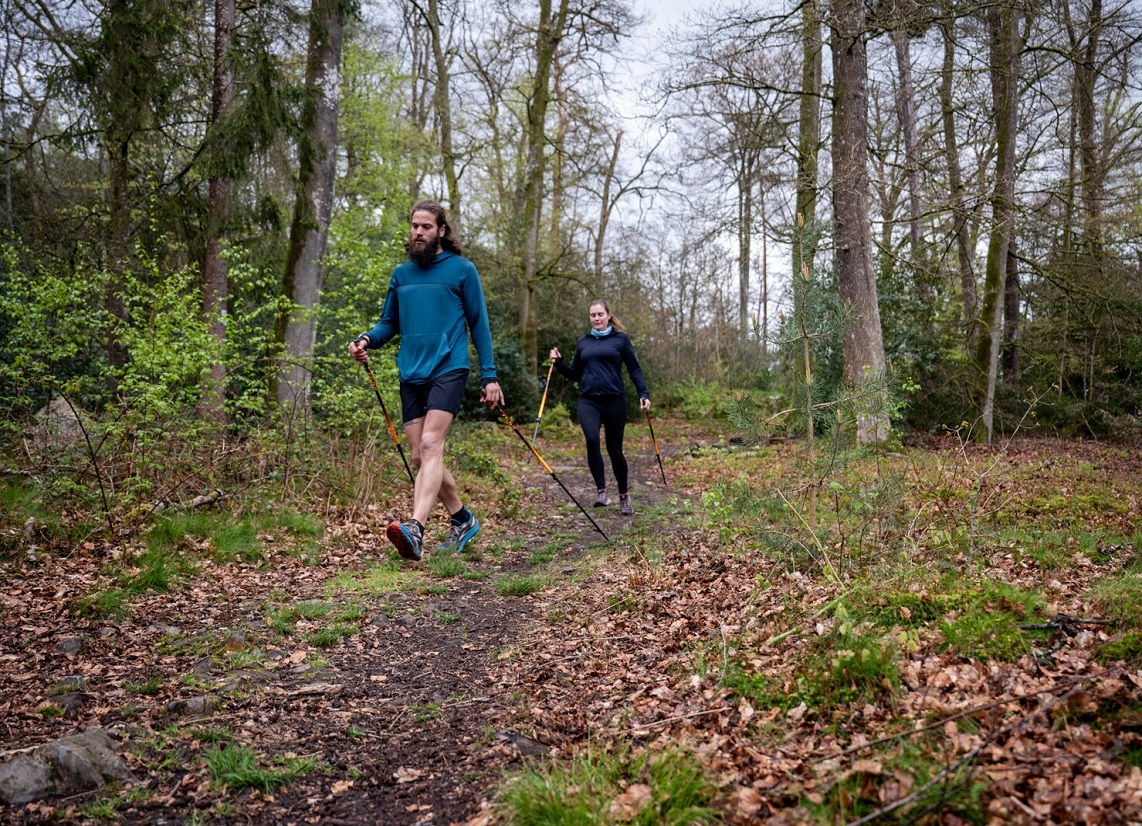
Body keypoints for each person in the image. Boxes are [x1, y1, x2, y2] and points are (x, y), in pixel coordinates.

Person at [349, 200, 504, 561]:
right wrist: (366, 340)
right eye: (414, 226)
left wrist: (490, 376)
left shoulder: (462, 270)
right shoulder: (401, 275)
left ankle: (415, 527)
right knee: (421, 456)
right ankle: (462, 519)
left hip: (449, 367)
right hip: (411, 372)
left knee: (433, 443)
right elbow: (389, 323)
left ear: (441, 232)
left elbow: (479, 325)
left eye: (426, 227)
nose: (418, 232)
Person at [549, 300, 650, 517]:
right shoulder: (583, 342)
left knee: (615, 450)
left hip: (614, 400)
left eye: (600, 314)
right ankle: (602, 492)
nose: (596, 318)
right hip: (589, 400)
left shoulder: (621, 340)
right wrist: (558, 363)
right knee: (592, 440)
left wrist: (643, 394)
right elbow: (575, 373)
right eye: (592, 315)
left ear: (608, 315)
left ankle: (624, 496)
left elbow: (634, 369)